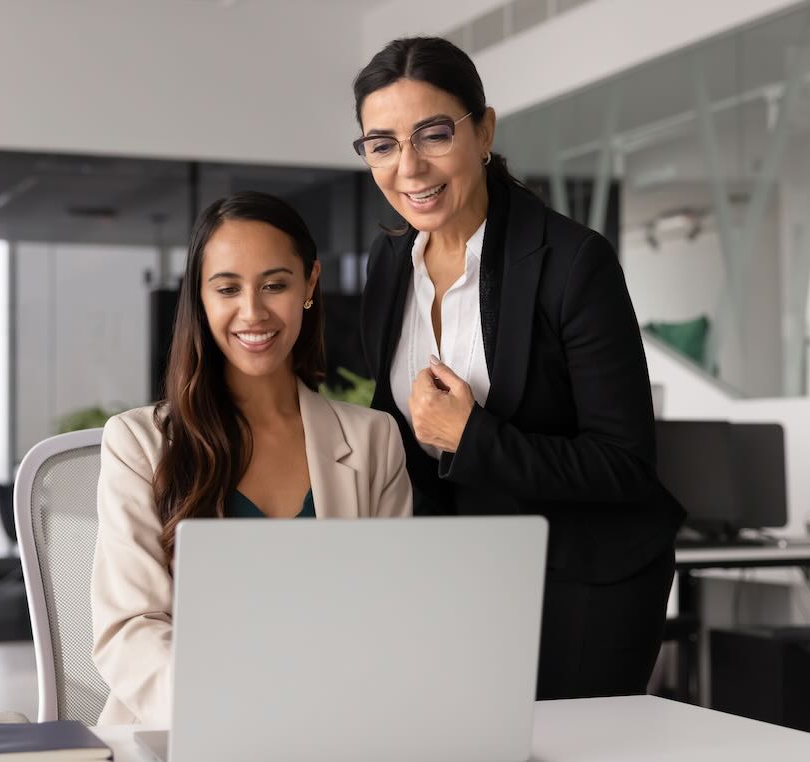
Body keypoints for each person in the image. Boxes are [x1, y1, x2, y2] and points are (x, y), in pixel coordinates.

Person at [352, 37, 685, 700]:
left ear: (484, 132)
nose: (408, 167)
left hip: (585, 579)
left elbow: (624, 463)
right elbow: (401, 436)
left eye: (433, 134)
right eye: (382, 144)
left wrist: (470, 437)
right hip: (462, 577)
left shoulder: (571, 261)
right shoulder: (388, 265)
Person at [91, 191, 412, 725]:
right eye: (228, 288)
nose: (253, 312)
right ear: (200, 297)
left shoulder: (375, 439)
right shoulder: (137, 443)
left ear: (309, 284)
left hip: (334, 728)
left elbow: (392, 615)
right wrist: (241, 712)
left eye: (275, 285)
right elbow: (131, 629)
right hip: (188, 730)